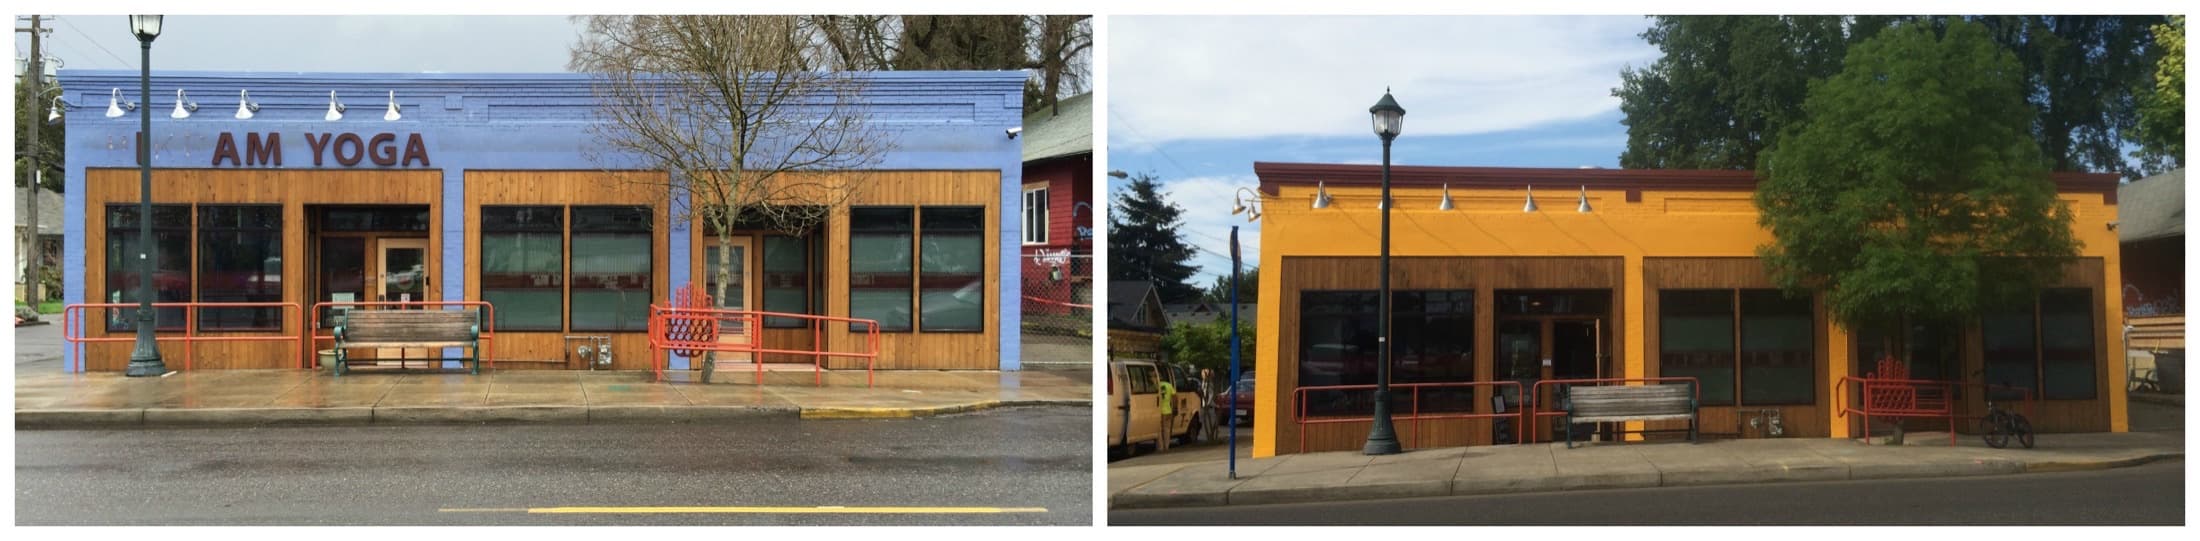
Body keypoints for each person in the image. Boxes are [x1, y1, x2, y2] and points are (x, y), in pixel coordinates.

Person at [1157, 371, 1177, 452]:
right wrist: (1175, 408)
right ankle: (1167, 446)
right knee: (1167, 429)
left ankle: (1160, 447)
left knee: (1159, 429)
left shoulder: (1156, 385)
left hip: (1158, 411)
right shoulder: (1169, 385)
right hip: (1168, 410)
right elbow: (1175, 397)